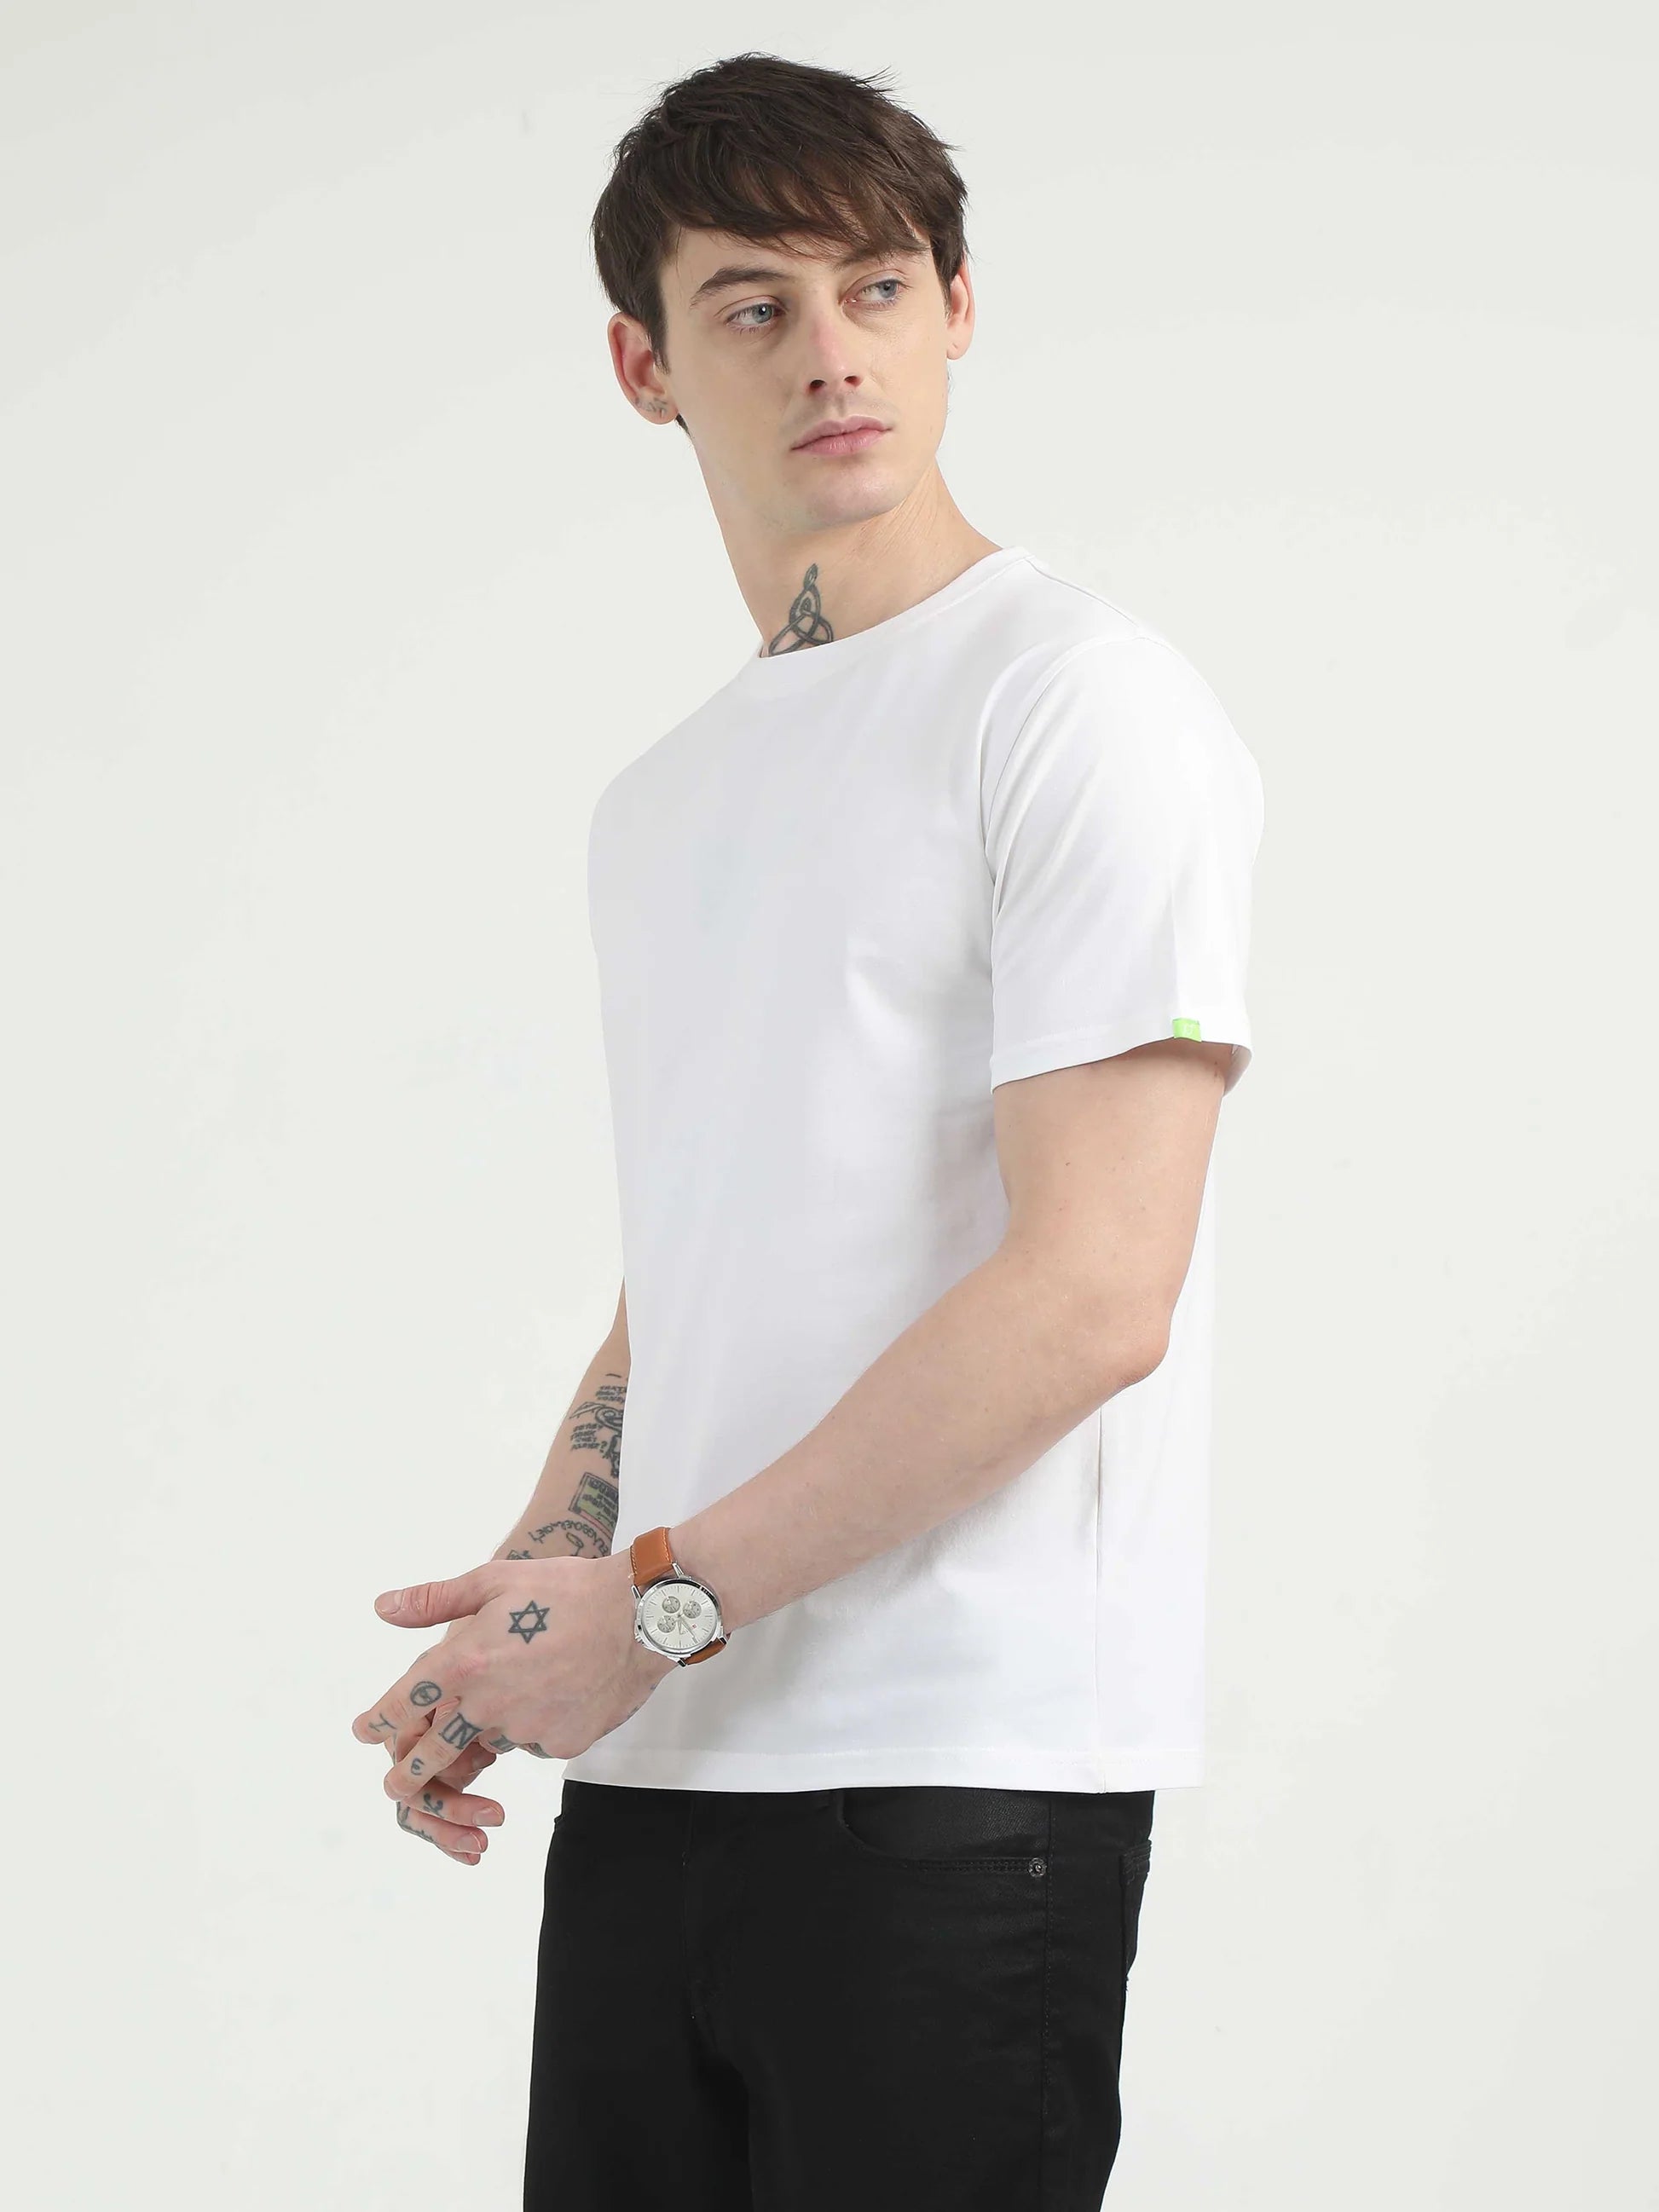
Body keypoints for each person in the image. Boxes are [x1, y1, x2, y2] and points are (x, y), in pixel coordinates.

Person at [352, 49, 1265, 2212]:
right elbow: (695, 1259)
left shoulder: (1074, 701)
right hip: (663, 1771)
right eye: (751, 304)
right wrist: (542, 1599)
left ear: (958, 310)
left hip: (951, 1780)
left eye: (875, 287)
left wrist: (656, 1603)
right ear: (643, 367)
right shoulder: (664, 798)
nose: (831, 351)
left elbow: (1095, 1291)